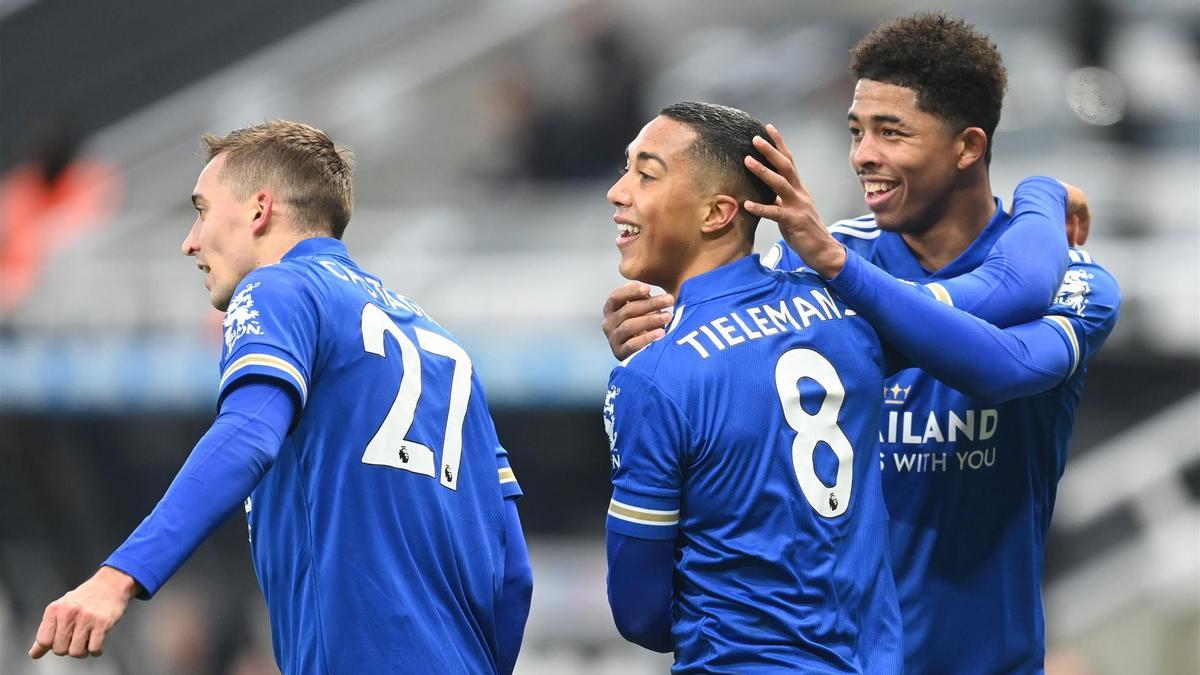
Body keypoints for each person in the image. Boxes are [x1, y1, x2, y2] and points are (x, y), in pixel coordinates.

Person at [604, 14, 1120, 674]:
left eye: (890, 131)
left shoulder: (1074, 283)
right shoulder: (816, 268)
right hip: (847, 655)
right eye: (855, 131)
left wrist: (1042, 194)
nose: (862, 155)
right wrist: (656, 325)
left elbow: (1004, 358)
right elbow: (713, 346)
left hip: (987, 659)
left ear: (967, 145)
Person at [29, 121, 533, 674]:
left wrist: (120, 576)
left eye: (201, 210)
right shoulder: (445, 346)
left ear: (258, 210)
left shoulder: (278, 287)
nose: (190, 241)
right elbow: (512, 572)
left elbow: (247, 435)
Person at [602, 101, 902, 672]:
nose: (618, 192)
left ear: (716, 213)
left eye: (646, 173)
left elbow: (639, 612)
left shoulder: (653, 377)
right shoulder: (847, 310)